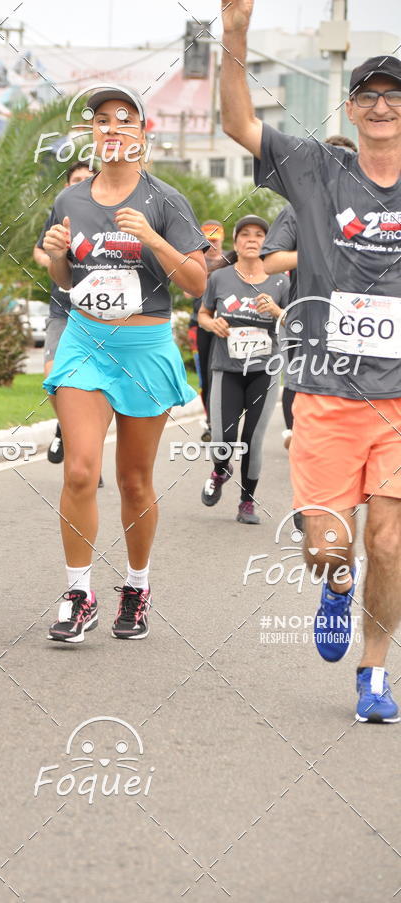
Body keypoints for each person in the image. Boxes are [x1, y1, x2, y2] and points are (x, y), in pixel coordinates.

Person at [221, 0, 401, 723]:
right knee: (331, 548)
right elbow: (239, 124)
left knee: (388, 541)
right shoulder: (317, 169)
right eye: (369, 95)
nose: (382, 105)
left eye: (394, 95)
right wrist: (234, 34)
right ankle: (334, 586)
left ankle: (375, 671)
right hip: (326, 393)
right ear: (353, 110)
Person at [42, 85, 208, 643]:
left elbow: (195, 281)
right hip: (86, 341)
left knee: (134, 480)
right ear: (92, 133)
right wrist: (59, 256)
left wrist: (154, 239)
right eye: (102, 121)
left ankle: (136, 586)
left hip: (144, 345)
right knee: (80, 470)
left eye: (124, 119)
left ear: (143, 132)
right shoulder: (72, 200)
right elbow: (65, 282)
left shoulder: (166, 199)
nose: (112, 129)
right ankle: (78, 591)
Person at [261, 135, 358, 449]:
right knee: (304, 384)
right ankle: (302, 441)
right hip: (309, 318)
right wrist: (320, 250)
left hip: (363, 322)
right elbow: (272, 262)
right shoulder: (298, 209)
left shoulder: (377, 207)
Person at [198, 215, 289, 524]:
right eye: (245, 234)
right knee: (223, 440)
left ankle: (246, 502)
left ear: (267, 243)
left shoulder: (281, 280)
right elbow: (203, 314)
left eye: (260, 235)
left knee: (253, 438)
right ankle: (220, 470)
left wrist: (278, 311)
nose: (252, 239)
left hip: (264, 370)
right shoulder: (220, 278)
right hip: (227, 368)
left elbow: (295, 322)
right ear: (235, 243)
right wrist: (213, 323)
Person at [33, 161, 98, 467]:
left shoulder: (107, 215)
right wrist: (54, 260)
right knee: (52, 379)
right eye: (76, 179)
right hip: (62, 309)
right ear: (66, 185)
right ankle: (67, 427)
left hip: (98, 316)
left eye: (88, 179)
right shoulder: (59, 213)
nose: (81, 183)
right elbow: (39, 249)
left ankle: (83, 451)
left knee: (91, 387)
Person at [189, 220, 228, 441]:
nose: (212, 245)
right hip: (200, 324)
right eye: (208, 241)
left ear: (221, 238)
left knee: (225, 375)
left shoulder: (230, 260)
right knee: (205, 376)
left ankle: (225, 419)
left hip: (227, 325)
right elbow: (188, 292)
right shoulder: (196, 260)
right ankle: (212, 422)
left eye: (215, 240)